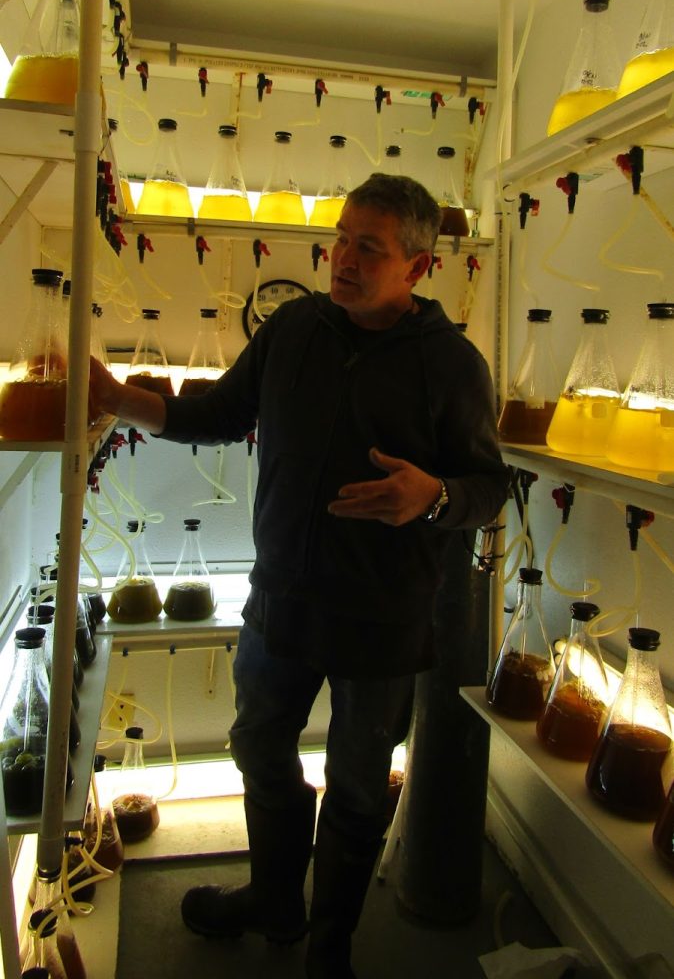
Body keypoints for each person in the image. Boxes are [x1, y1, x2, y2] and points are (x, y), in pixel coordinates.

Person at [89, 173, 509, 979]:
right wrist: (120, 398)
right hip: (281, 597)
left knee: (356, 782)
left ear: (419, 269)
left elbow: (487, 488)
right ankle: (274, 899)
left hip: (382, 619)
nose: (342, 259)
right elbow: (218, 412)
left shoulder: (452, 365)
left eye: (369, 249)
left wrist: (435, 496)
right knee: (257, 746)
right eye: (340, 238)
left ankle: (330, 945)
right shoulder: (292, 328)